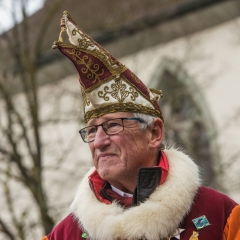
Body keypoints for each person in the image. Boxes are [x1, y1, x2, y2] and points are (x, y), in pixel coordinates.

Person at [42, 11, 240, 240]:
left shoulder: (222, 217)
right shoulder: (66, 235)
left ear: (154, 133)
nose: (98, 142)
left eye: (113, 125)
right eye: (92, 130)